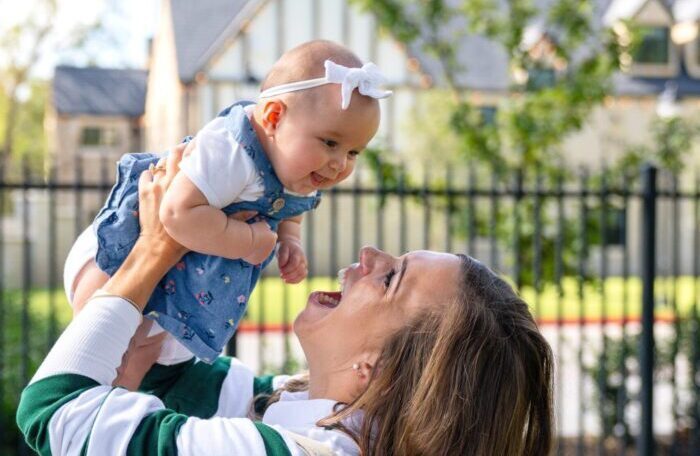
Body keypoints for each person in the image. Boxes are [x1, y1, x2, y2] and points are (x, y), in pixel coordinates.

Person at [18, 147, 554, 455]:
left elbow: (56, 412)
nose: (369, 255)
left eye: (391, 278)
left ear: (378, 370)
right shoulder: (313, 411)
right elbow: (171, 382)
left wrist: (155, 253)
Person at [67, 39, 392, 365]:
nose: (340, 163)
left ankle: (126, 401)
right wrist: (248, 242)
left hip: (175, 277)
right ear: (274, 116)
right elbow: (176, 212)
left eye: (353, 152)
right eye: (330, 142)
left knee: (143, 357)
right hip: (116, 259)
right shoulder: (231, 151)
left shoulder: (302, 168)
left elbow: (293, 206)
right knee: (106, 338)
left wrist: (289, 239)